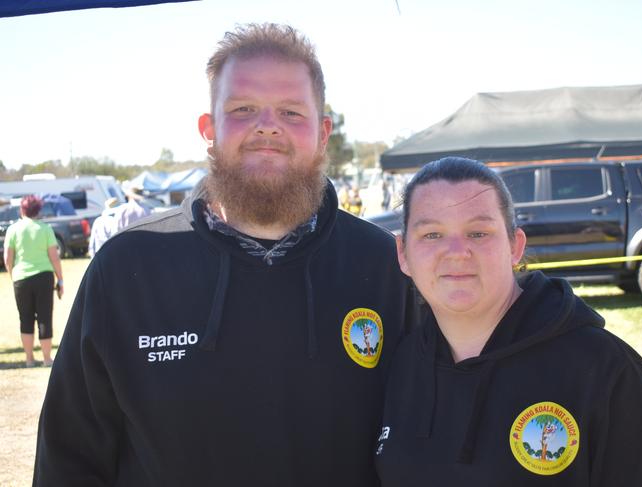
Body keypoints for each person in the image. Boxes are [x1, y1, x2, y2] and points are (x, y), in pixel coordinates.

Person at [34, 23, 414, 486]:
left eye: (292, 112)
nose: (267, 125)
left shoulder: (385, 265)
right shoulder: (126, 267)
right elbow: (69, 457)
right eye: (243, 108)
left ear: (322, 132)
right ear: (208, 128)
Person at [375, 157, 642, 486]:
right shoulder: (401, 365)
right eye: (432, 234)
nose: (457, 251)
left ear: (515, 246)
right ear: (403, 254)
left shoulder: (603, 370)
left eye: (478, 233)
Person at [3, 195, 64, 367]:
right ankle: (46, 358)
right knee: (45, 317)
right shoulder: (45, 229)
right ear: (38, 210)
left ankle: (29, 359)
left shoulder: (13, 229)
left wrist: (13, 275)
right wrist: (60, 280)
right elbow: (54, 258)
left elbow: (8, 258)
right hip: (44, 276)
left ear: (22, 210)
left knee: (25, 318)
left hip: (21, 278)